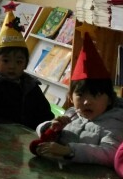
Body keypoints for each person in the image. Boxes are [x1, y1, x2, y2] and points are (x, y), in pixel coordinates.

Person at [33, 35, 123, 165]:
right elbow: (42, 133)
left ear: (110, 99)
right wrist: (51, 127)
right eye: (80, 95)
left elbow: (109, 154)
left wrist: (70, 151)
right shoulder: (72, 114)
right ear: (70, 97)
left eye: (95, 95)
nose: (87, 102)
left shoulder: (115, 123)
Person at [0, 10, 54, 129]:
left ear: (25, 64)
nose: (12, 66)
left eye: (19, 62)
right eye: (6, 60)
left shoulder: (32, 87)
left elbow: (46, 116)